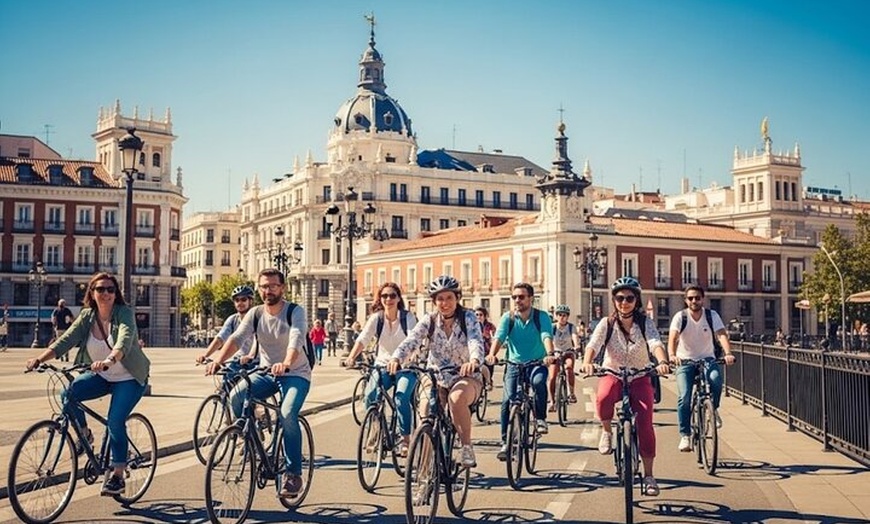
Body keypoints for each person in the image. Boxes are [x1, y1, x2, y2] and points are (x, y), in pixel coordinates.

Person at [25, 272, 149, 496]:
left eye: (110, 289)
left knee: (115, 420)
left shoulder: (124, 313)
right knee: (67, 394)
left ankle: (118, 475)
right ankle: (85, 434)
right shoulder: (87, 317)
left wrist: (110, 359)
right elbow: (66, 340)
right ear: (91, 292)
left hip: (129, 377)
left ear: (116, 293)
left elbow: (125, 338)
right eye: (100, 289)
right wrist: (39, 359)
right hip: (103, 375)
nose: (106, 294)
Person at [205, 268, 311, 499]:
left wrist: (286, 362)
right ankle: (253, 442)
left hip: (295, 373)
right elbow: (236, 338)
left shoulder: (295, 312)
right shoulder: (255, 313)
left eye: (273, 286)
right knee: (236, 396)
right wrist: (217, 360)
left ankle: (294, 474)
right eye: (264, 286)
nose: (268, 290)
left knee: (287, 413)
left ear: (282, 288)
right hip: (266, 372)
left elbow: (296, 338)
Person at [580, 276, 670, 497]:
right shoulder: (607, 323)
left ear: (636, 300)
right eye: (620, 298)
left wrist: (662, 361)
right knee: (603, 397)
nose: (624, 302)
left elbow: (655, 343)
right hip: (614, 373)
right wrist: (587, 362)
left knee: (646, 423)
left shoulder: (644, 322)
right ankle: (607, 432)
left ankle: (649, 476)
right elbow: (593, 344)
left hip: (640, 375)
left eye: (629, 298)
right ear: (614, 300)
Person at [387, 275, 485, 468]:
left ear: (457, 298)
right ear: (434, 301)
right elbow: (412, 340)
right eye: (440, 299)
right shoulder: (429, 320)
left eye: (449, 298)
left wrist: (473, 361)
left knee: (456, 399)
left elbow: (475, 340)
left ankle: (466, 447)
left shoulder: (468, 318)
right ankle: (424, 474)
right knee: (425, 413)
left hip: (465, 375)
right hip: (436, 376)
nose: (445, 303)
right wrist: (396, 357)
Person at [486, 282, 555, 460]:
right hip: (514, 364)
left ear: (531, 299)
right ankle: (505, 443)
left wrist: (550, 354)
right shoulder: (508, 318)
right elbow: (499, 337)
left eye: (521, 297)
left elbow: (546, 335)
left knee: (539, 382)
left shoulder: (541, 317)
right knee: (507, 401)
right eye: (514, 297)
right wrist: (491, 355)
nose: (517, 300)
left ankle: (540, 418)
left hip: (537, 362)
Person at [347, 282, 418, 455]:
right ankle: (376, 430)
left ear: (399, 298)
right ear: (380, 298)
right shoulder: (377, 318)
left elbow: (413, 339)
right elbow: (363, 339)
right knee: (370, 395)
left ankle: (405, 439)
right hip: (382, 365)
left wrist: (409, 356)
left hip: (405, 367)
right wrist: (351, 357)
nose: (388, 299)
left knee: (401, 398)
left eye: (392, 295)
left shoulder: (407, 317)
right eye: (385, 296)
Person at [667, 284, 735, 452]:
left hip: (707, 359)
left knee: (716, 381)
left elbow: (721, 335)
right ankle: (685, 435)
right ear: (685, 300)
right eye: (690, 298)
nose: (694, 301)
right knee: (684, 397)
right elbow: (673, 338)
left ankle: (714, 409)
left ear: (702, 299)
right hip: (685, 361)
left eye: (697, 297)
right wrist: (672, 355)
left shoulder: (712, 316)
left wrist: (728, 353)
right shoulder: (680, 317)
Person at [196, 285, 258, 379]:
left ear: (251, 301)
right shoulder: (233, 319)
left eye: (243, 299)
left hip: (255, 362)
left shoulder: (257, 318)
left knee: (248, 389)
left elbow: (259, 340)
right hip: (237, 361)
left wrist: (250, 356)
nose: (240, 302)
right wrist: (205, 355)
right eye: (237, 300)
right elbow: (220, 339)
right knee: (226, 382)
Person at [547, 304, 581, 411]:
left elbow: (575, 337)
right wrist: (550, 351)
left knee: (569, 367)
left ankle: (571, 393)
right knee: (552, 377)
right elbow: (548, 339)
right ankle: (552, 401)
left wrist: (576, 346)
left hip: (568, 352)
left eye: (565, 315)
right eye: (560, 315)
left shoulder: (571, 327)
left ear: (567, 317)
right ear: (556, 316)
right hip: (555, 353)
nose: (562, 317)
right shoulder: (552, 327)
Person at [475, 306, 497, 390]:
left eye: (480, 315)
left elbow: (496, 338)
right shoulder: (471, 326)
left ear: (484, 316)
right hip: (476, 352)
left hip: (487, 351)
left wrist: (491, 338)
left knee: (490, 362)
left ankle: (489, 381)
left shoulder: (490, 326)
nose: (478, 317)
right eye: (476, 315)